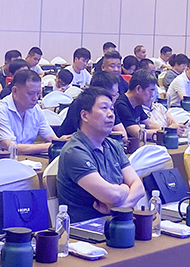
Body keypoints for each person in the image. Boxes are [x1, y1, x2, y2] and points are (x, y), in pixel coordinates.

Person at [55, 87, 145, 222]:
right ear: (84, 115)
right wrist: (125, 188)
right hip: (85, 228)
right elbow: (112, 196)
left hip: (114, 220)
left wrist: (117, 210)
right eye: (104, 108)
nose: (111, 114)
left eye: (112, 109)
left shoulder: (113, 145)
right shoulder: (74, 151)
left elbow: (139, 188)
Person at [0, 69, 60, 155]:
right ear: (14, 91)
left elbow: (52, 138)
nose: (35, 98)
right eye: (31, 93)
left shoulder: (36, 109)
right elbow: (11, 148)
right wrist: (48, 146)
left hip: (26, 159)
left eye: (38, 94)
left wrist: (61, 142)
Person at [56, 72, 124, 138]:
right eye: (114, 95)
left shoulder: (109, 108)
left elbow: (123, 135)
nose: (116, 97)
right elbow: (89, 135)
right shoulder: (81, 104)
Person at [114, 70, 161, 146]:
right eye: (150, 91)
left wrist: (165, 130)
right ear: (138, 89)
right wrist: (162, 133)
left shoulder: (137, 103)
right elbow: (137, 133)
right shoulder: (121, 105)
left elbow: (149, 123)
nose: (152, 96)